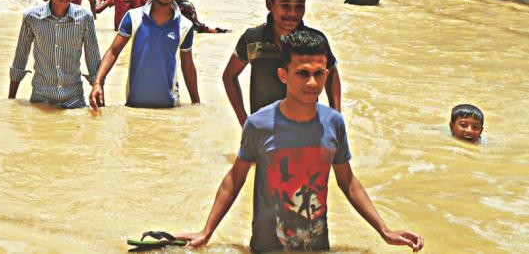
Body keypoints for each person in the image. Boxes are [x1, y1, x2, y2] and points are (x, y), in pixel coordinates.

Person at [176, 30, 424, 253]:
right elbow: (234, 179)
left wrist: (385, 231)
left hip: (317, 246)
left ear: (326, 73)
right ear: (283, 75)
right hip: (267, 248)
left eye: (319, 73)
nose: (312, 83)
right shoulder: (259, 124)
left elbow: (347, 182)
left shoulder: (334, 123)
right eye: (303, 73)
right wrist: (206, 231)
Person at [223, 0, 341, 127]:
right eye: (285, 6)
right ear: (269, 5)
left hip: (307, 129)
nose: (293, 13)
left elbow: (331, 74)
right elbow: (229, 76)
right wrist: (245, 122)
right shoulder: (253, 40)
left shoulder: (315, 41)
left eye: (299, 6)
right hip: (264, 130)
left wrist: (336, 117)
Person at [89, 0, 199, 109]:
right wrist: (97, 83)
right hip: (134, 107)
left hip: (170, 109)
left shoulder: (185, 26)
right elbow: (113, 52)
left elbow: (188, 66)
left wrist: (196, 105)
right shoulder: (133, 17)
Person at [9, 0, 101, 108]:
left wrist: (97, 90)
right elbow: (20, 60)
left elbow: (93, 61)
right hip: (40, 101)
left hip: (74, 102)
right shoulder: (31, 17)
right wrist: (10, 104)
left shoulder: (85, 17)